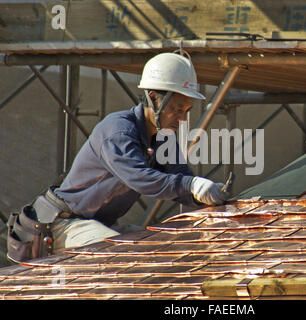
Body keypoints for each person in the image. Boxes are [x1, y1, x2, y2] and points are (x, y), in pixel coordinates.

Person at [7, 51, 227, 262]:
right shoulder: (118, 131)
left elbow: (181, 179)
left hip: (98, 223)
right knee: (121, 255)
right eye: (178, 109)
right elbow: (141, 178)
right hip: (63, 224)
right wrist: (192, 185)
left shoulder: (163, 138)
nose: (181, 119)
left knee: (158, 248)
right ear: (153, 98)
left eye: (186, 111)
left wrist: (207, 196)